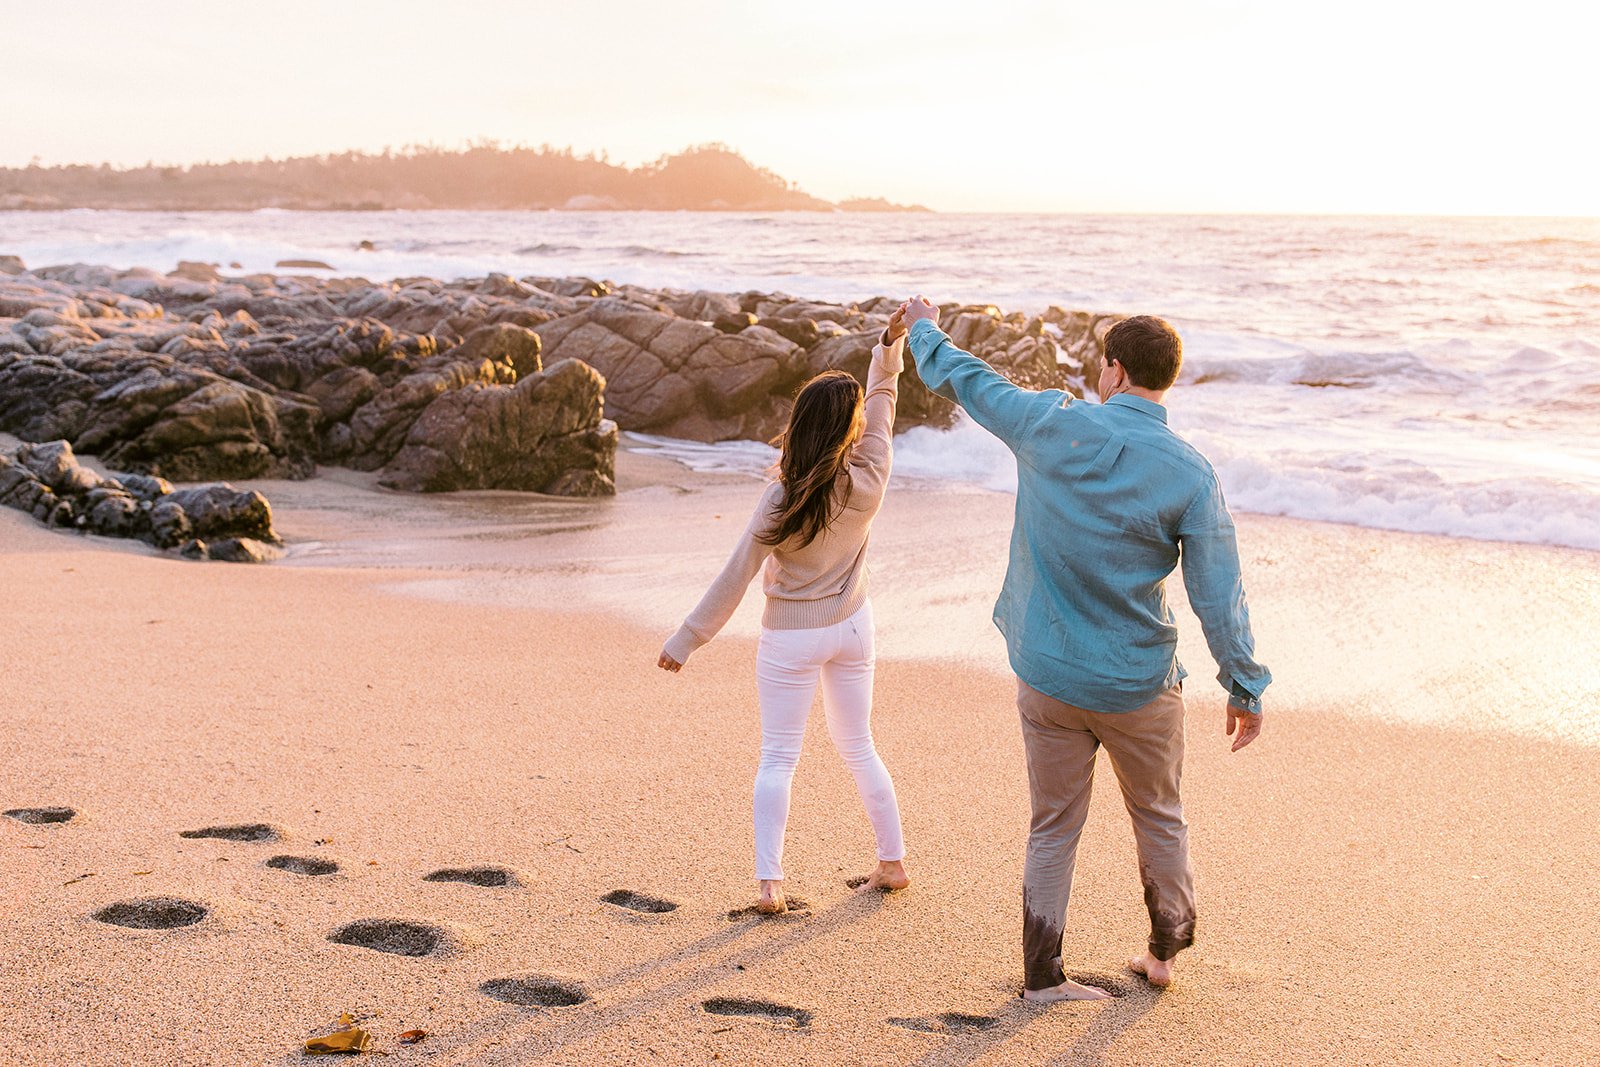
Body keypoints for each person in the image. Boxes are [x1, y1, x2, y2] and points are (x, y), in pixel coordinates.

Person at [899, 296, 1270, 1000]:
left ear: (1114, 370)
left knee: (1053, 824)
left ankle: (1043, 977)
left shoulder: (1048, 424)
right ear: (1168, 380)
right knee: (1158, 816)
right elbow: (1219, 596)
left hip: (1049, 675)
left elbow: (972, 381)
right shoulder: (1191, 473)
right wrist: (1244, 685)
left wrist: (923, 326)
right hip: (1137, 684)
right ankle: (1163, 954)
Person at [657, 306, 911, 914]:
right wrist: (888, 344)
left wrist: (688, 639)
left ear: (798, 425)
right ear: (849, 429)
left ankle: (771, 886)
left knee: (779, 757)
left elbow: (738, 572)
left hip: (792, 638)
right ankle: (892, 862)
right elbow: (883, 398)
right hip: (853, 627)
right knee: (860, 746)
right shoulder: (870, 473)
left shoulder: (781, 498)